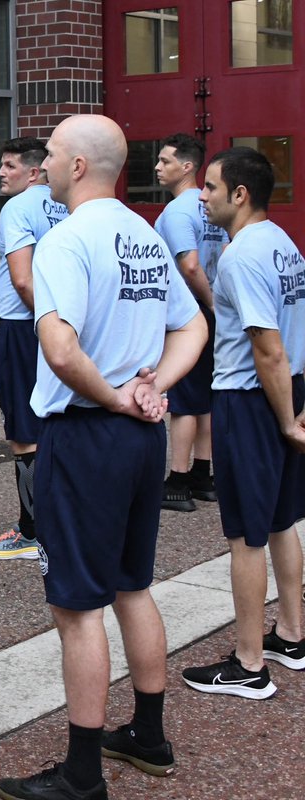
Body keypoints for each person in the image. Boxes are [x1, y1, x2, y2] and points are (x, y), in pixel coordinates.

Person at [0, 115, 207, 800]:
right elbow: (193, 323)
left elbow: (59, 348)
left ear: (79, 165)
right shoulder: (144, 234)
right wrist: (155, 386)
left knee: (79, 607)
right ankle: (150, 736)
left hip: (88, 436)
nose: (43, 166)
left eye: (51, 155)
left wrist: (118, 398)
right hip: (142, 439)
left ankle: (82, 774)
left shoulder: (65, 240)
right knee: (132, 586)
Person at [181, 146, 305, 699]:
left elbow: (267, 347)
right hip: (285, 395)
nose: (201, 195)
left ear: (240, 194)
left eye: (209, 187)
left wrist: (288, 423)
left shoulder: (240, 256)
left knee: (245, 537)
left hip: (251, 401)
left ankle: (250, 664)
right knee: (280, 523)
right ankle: (291, 636)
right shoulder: (283, 245)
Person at [0, 137, 69, 560]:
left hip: (23, 324)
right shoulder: (62, 204)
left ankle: (31, 532)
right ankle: (58, 525)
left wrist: (44, 322)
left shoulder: (17, 208)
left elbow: (22, 279)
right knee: (54, 422)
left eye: (9, 165)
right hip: (57, 323)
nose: (1, 172)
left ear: (33, 172)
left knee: (22, 431)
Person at [153, 133, 229, 512]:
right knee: (206, 396)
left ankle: (179, 480)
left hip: (190, 311)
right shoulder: (209, 206)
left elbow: (189, 264)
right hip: (211, 308)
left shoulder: (179, 212)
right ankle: (204, 474)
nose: (157, 167)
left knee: (183, 399)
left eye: (165, 161)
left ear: (186, 167)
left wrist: (210, 303)